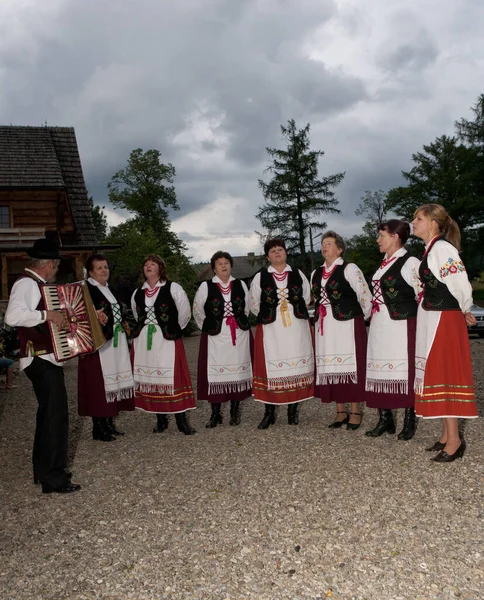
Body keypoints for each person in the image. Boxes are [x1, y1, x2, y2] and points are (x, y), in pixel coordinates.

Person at [5, 238, 81, 493]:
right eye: (56, 265)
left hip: (45, 357)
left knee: (48, 415)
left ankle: (44, 472)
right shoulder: (26, 284)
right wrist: (47, 315)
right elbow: (12, 316)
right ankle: (54, 478)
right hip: (38, 357)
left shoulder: (38, 286)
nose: (56, 269)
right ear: (49, 264)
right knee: (56, 417)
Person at [411, 203, 478, 462]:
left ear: (433, 223)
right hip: (434, 316)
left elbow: (460, 284)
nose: (413, 222)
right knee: (437, 372)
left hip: (444, 320)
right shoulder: (431, 249)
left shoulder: (443, 249)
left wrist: (463, 308)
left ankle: (455, 440)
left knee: (446, 373)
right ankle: (445, 435)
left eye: (418, 218)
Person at [365, 220, 421, 440]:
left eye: (381, 236)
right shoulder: (384, 263)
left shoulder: (410, 262)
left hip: (401, 325)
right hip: (380, 325)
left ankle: (410, 420)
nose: (378, 240)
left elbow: (422, 294)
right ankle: (385, 419)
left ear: (395, 237)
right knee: (380, 370)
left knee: (405, 372)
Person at [249, 238, 314, 428]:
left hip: (295, 326)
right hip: (272, 328)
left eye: (280, 249)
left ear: (285, 252)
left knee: (295, 367)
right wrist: (270, 315)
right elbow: (253, 303)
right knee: (272, 368)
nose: (277, 253)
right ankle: (269, 412)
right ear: (268, 256)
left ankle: (292, 411)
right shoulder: (260, 276)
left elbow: (307, 296)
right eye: (273, 251)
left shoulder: (297, 273)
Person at [311, 231, 371, 430]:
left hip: (346, 323)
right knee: (332, 368)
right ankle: (340, 411)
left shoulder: (350, 268)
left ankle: (354, 410)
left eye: (329, 243)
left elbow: (364, 295)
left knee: (350, 366)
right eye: (323, 243)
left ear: (340, 248)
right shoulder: (316, 272)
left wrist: (362, 317)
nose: (324, 246)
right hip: (325, 326)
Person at [131, 254, 196, 434]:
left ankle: (181, 421)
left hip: (167, 338)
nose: (148, 266)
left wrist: (173, 329)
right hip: (145, 340)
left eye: (153, 263)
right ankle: (161, 419)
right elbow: (138, 316)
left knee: (173, 378)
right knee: (153, 378)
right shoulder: (138, 292)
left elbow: (184, 312)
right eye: (146, 264)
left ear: (161, 268)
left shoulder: (173, 288)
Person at [78, 254, 135, 441]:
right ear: (91, 272)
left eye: (105, 267)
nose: (104, 270)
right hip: (99, 344)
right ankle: (98, 426)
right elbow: (78, 314)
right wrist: (94, 316)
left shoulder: (110, 288)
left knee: (115, 380)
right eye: (99, 268)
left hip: (116, 339)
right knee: (99, 385)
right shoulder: (86, 289)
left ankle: (109, 422)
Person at [193, 251, 253, 427]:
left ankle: (235, 412)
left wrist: (239, 323)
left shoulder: (240, 284)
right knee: (216, 375)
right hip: (216, 336)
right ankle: (215, 414)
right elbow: (197, 310)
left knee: (237, 372)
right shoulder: (206, 286)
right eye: (219, 263)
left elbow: (247, 307)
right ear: (213, 268)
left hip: (238, 335)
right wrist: (209, 326)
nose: (224, 266)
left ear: (231, 265)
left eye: (226, 262)